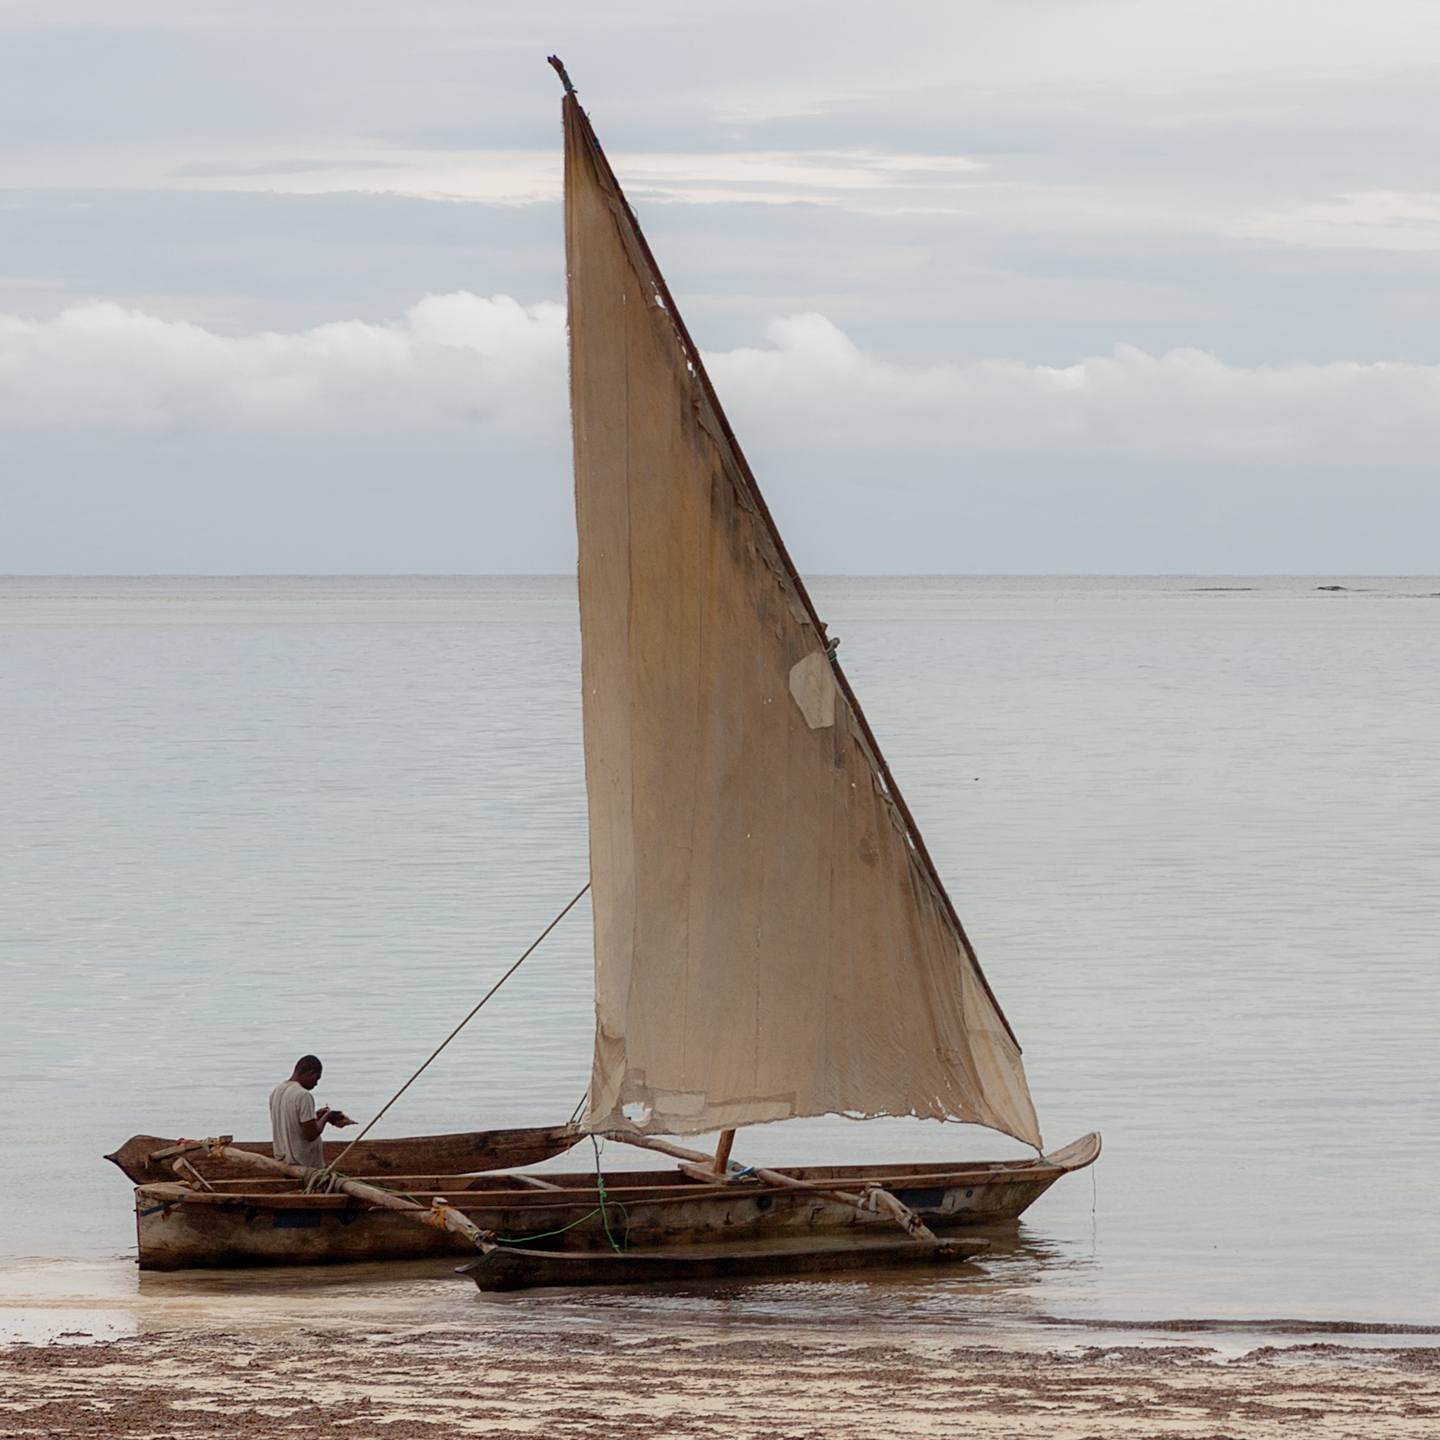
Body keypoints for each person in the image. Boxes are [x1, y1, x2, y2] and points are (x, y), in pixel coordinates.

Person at [269, 1055, 355, 1168]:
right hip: (303, 1164)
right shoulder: (303, 1095)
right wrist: (326, 1117)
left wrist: (315, 1116)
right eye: (316, 1078)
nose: (316, 1084)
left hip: (283, 1161)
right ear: (310, 1073)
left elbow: (290, 1121)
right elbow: (311, 1134)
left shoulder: (276, 1091)